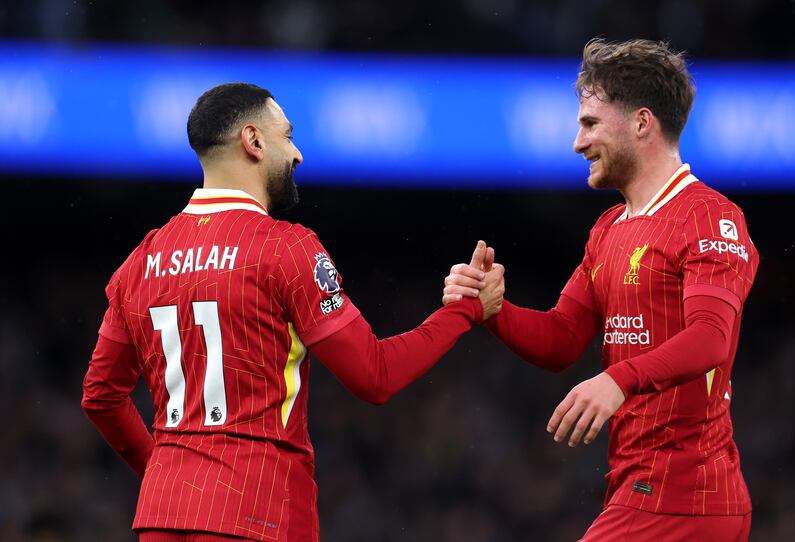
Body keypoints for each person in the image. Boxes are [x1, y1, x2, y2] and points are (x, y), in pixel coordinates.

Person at [81, 82, 505, 542]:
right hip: (259, 510)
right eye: (287, 135)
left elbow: (100, 395)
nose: (298, 154)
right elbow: (373, 375)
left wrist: (168, 472)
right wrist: (464, 311)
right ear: (254, 141)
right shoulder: (284, 249)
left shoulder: (141, 260)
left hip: (163, 516)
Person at [443, 39, 758, 541]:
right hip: (640, 489)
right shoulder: (609, 229)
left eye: (589, 124)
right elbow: (562, 338)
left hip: (686, 495)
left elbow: (710, 338)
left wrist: (618, 379)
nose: (577, 142)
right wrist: (491, 310)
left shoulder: (709, 216)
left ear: (641, 123)